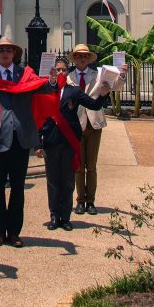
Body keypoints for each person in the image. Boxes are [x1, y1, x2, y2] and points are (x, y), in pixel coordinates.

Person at [36, 57, 112, 230]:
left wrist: (103, 95)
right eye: (58, 70)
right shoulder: (45, 90)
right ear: (52, 71)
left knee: (68, 181)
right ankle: (54, 215)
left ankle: (65, 217)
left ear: (67, 72)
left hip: (69, 141)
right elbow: (39, 117)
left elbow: (93, 105)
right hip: (51, 141)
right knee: (53, 181)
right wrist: (37, 144)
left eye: (64, 70)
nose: (61, 73)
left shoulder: (74, 91)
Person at [0, 36, 42, 248]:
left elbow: (42, 89)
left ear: (14, 54)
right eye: (1, 50)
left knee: (18, 188)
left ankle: (15, 232)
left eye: (9, 50)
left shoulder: (24, 74)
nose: (5, 53)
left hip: (20, 139)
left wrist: (53, 80)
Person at [67, 43, 127, 215]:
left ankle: (91, 201)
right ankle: (80, 200)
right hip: (76, 125)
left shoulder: (98, 74)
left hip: (94, 125)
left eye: (85, 55)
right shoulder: (69, 77)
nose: (83, 58)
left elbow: (115, 86)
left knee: (91, 166)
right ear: (75, 59)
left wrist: (121, 75)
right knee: (78, 166)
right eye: (79, 56)